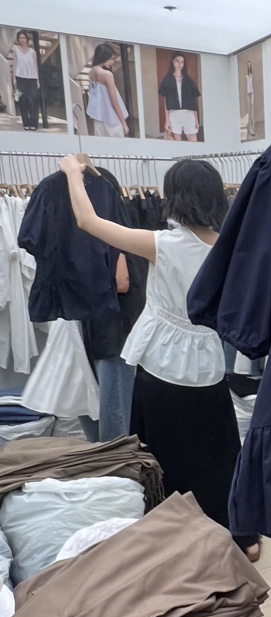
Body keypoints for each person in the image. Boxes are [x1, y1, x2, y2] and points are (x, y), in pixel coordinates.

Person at [58, 154, 260, 563]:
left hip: (162, 363)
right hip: (206, 361)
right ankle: (238, 536)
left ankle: (170, 537)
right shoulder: (232, 249)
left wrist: (71, 173)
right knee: (218, 451)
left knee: (163, 453)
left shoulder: (162, 244)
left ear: (174, 197)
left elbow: (87, 221)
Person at [79, 166, 147, 444]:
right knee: (97, 406)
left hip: (115, 334)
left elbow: (121, 282)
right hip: (104, 331)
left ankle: (116, 464)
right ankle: (106, 461)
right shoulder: (114, 226)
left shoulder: (113, 228)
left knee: (114, 416)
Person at [86, 44, 130, 137]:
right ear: (103, 56)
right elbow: (114, 102)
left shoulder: (91, 72)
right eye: (110, 58)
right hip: (111, 118)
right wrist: (124, 123)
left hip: (99, 117)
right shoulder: (107, 74)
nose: (112, 62)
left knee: (102, 145)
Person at [158, 53, 201, 142]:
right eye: (177, 61)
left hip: (189, 114)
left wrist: (196, 119)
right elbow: (166, 101)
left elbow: (194, 101)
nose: (179, 64)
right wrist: (167, 120)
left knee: (193, 142)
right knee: (178, 143)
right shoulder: (168, 80)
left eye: (182, 62)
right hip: (174, 115)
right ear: (172, 62)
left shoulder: (188, 80)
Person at [10, 31, 39, 131]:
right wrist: (14, 78)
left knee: (33, 100)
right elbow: (15, 64)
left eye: (24, 38)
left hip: (32, 78)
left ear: (27, 39)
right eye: (20, 38)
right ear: (18, 39)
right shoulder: (16, 49)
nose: (22, 40)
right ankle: (26, 123)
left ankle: (34, 123)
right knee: (23, 100)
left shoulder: (33, 52)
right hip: (20, 78)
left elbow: (35, 66)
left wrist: (37, 80)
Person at [245, 60, 256, 138]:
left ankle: (253, 130)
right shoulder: (247, 75)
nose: (249, 66)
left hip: (252, 92)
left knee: (252, 111)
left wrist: (252, 93)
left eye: (250, 65)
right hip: (248, 93)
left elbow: (252, 85)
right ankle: (250, 129)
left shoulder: (252, 74)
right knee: (249, 111)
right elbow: (247, 85)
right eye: (248, 65)